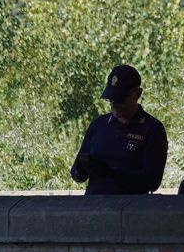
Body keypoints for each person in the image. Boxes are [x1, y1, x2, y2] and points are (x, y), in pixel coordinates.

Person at [69, 64, 168, 195]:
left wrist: (112, 173)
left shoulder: (152, 129)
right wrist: (82, 168)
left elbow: (152, 181)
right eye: (110, 99)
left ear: (137, 94)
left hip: (129, 210)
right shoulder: (98, 125)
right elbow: (77, 175)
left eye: (120, 99)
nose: (114, 104)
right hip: (94, 208)